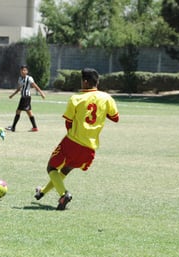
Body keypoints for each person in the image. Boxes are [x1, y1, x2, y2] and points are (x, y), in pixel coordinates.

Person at [35, 68, 119, 210]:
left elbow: (68, 122)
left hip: (72, 142)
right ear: (97, 82)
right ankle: (42, 192)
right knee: (65, 170)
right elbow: (115, 118)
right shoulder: (107, 98)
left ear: (85, 82)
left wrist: (73, 136)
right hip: (90, 147)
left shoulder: (76, 98)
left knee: (51, 168)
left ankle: (64, 194)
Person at [6, 65, 46, 132]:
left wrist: (42, 93)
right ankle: (35, 127)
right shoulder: (20, 79)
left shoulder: (29, 78)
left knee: (18, 111)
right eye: (21, 70)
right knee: (29, 112)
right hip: (23, 97)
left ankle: (13, 127)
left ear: (27, 71)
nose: (23, 71)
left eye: (24, 70)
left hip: (26, 97)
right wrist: (12, 95)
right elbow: (19, 89)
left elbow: (35, 86)